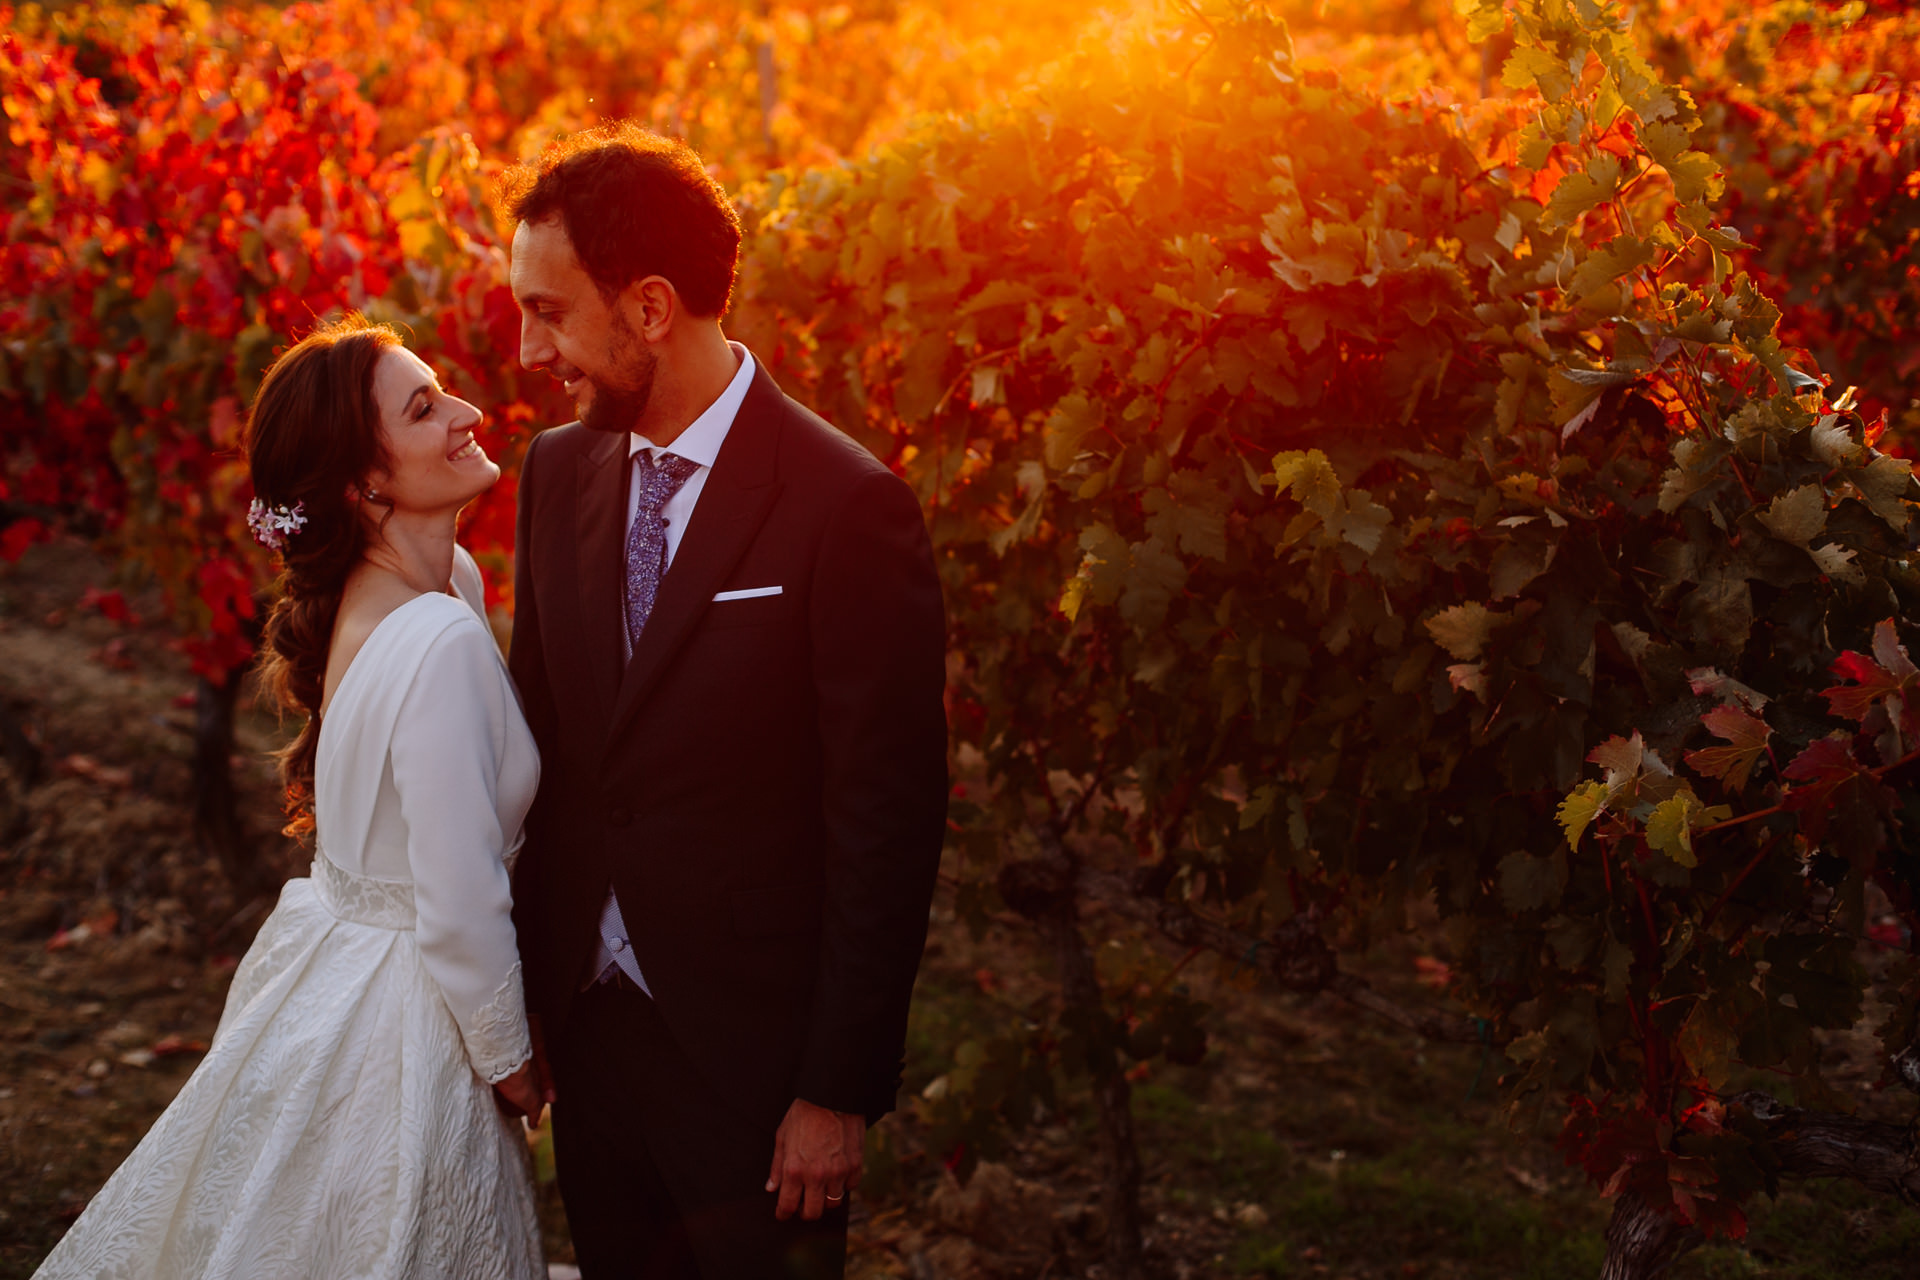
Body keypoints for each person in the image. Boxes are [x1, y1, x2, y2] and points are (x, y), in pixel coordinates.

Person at [501, 123, 949, 1279]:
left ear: (650, 308)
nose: (526, 347)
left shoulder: (848, 505)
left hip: (757, 1071)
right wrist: (526, 1004)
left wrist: (834, 1089)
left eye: (548, 311)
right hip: (590, 1040)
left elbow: (886, 821)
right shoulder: (555, 476)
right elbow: (539, 750)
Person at [33, 317, 547, 1280]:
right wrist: (510, 1060)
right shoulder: (434, 633)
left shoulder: (432, 587)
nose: (470, 414)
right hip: (410, 1012)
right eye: (426, 408)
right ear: (366, 484)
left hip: (341, 966)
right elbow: (457, 893)